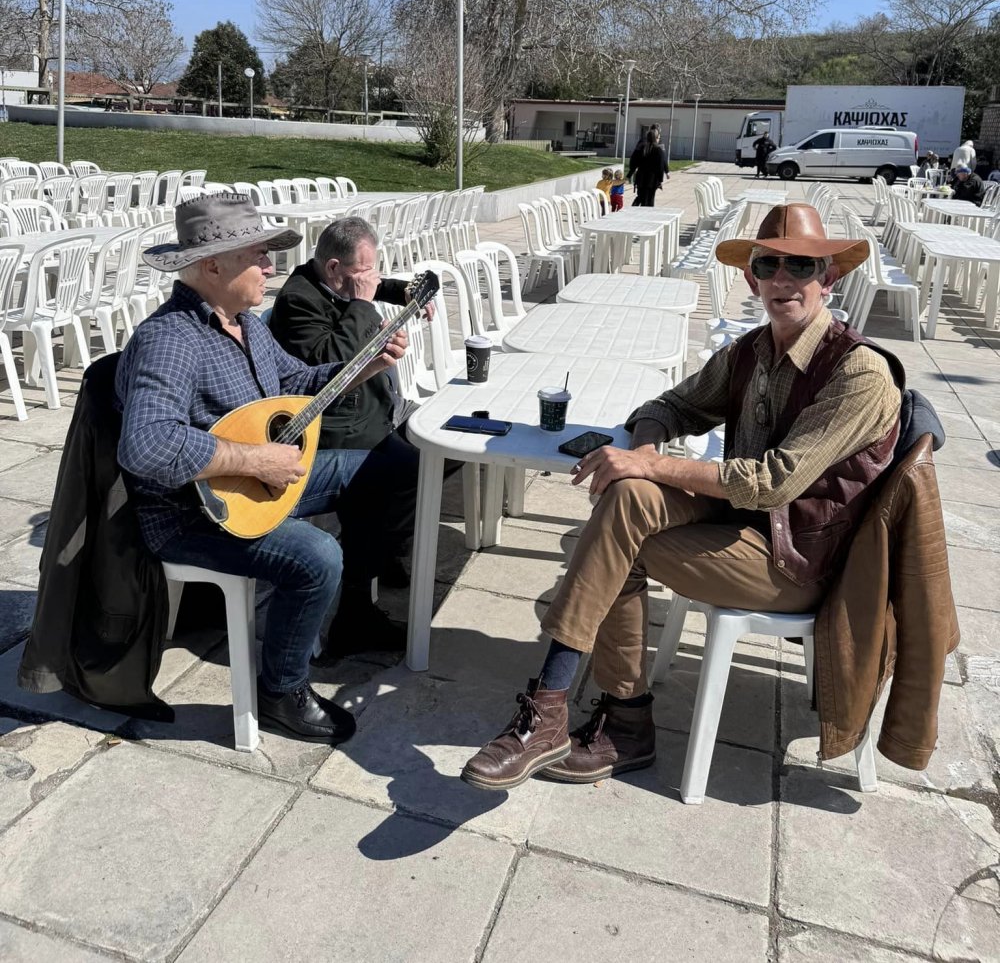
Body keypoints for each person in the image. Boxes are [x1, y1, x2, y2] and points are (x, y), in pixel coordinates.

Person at [460, 203, 902, 791]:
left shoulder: (859, 373)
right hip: (745, 522)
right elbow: (665, 407)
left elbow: (773, 480)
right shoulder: (752, 352)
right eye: (769, 263)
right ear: (751, 277)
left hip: (799, 560)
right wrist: (643, 457)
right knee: (627, 498)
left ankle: (605, 719)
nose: (783, 278)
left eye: (802, 265)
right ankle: (564, 712)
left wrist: (650, 462)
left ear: (829, 277)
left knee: (622, 538)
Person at [115, 193, 409, 744]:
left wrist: (364, 364)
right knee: (318, 556)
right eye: (259, 255)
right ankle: (281, 692)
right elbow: (146, 446)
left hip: (254, 485)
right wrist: (255, 459)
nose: (270, 267)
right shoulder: (170, 340)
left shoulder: (244, 324)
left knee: (384, 465)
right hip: (194, 514)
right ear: (212, 266)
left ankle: (356, 613)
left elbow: (296, 382)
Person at [267, 216, 432, 654]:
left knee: (443, 454)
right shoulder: (297, 302)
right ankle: (359, 600)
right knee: (397, 471)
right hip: (337, 429)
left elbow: (373, 281)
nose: (371, 282)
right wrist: (362, 307)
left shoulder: (341, 281)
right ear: (334, 268)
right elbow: (327, 368)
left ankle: (384, 549)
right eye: (363, 274)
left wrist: (404, 291)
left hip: (375, 412)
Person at [628, 125, 669, 206]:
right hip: (652, 179)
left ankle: (634, 209)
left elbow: (634, 160)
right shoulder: (658, 149)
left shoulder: (641, 147)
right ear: (656, 138)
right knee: (650, 200)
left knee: (641, 197)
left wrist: (630, 173)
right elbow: (661, 165)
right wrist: (661, 179)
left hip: (641, 178)